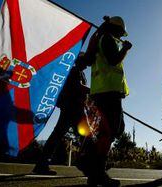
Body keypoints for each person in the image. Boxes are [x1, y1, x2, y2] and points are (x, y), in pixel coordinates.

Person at [80, 15, 132, 186]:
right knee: (108, 132)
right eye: (120, 33)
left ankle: (90, 165)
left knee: (105, 131)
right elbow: (113, 61)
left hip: (101, 92)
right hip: (108, 93)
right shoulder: (107, 39)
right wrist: (125, 49)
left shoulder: (99, 39)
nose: (121, 36)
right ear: (115, 29)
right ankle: (97, 172)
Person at [32, 54, 89, 175]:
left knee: (75, 136)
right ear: (80, 61)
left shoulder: (80, 73)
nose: (87, 64)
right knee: (83, 137)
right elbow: (78, 87)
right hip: (71, 108)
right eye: (85, 61)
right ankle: (88, 164)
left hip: (76, 108)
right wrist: (93, 91)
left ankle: (42, 163)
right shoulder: (73, 71)